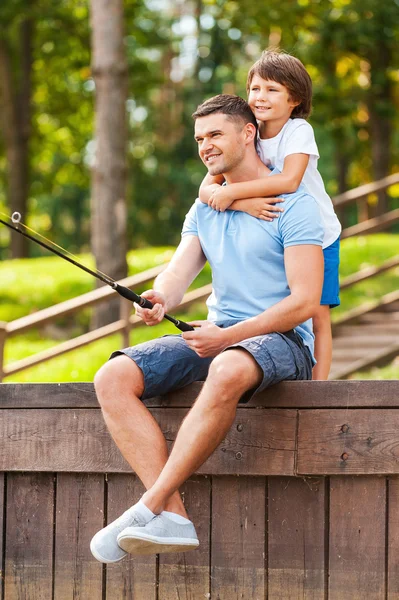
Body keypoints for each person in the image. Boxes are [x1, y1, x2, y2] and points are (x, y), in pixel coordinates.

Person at [90, 94, 324, 564]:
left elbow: (304, 302)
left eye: (215, 134)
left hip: (284, 342)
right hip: (222, 335)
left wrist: (227, 338)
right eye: (199, 138)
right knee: (112, 377)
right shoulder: (205, 210)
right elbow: (178, 275)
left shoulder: (295, 205)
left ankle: (147, 506)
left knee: (226, 370)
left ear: (248, 132)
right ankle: (172, 516)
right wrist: (160, 297)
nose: (205, 146)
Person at [199, 49, 341, 380]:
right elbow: (206, 191)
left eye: (272, 90)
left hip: (318, 233)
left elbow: (290, 181)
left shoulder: (298, 131)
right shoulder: (249, 132)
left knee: (317, 313)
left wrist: (231, 193)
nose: (260, 97)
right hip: (276, 227)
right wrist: (241, 204)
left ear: (295, 99)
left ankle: (317, 391)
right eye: (255, 88)